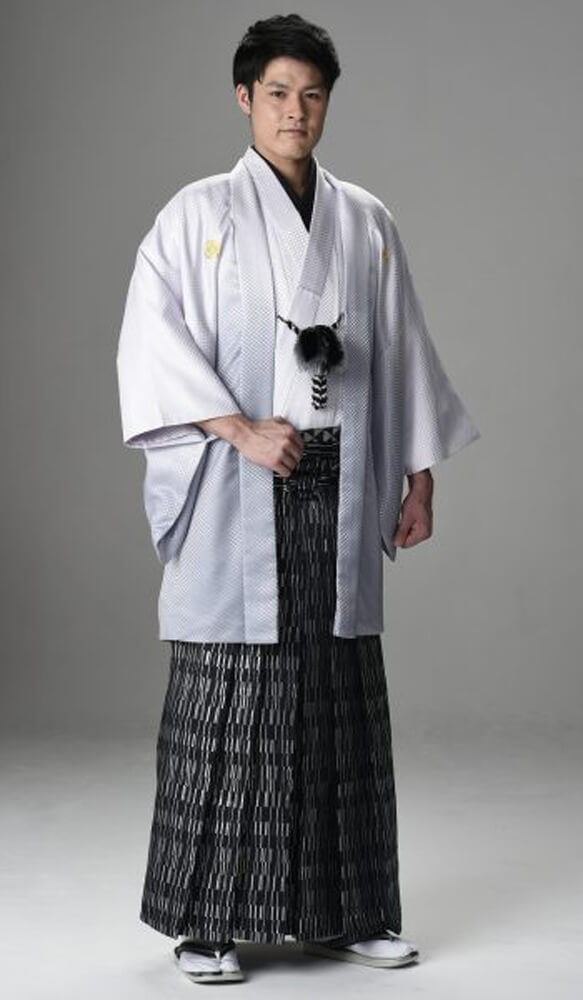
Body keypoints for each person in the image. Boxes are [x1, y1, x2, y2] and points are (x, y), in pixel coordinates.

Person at [116, 12, 480, 986]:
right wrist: (238, 428)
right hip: (238, 477)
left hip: (343, 478)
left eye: (311, 94)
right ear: (244, 99)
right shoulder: (195, 216)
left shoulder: (365, 221)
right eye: (277, 92)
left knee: (335, 696)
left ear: (327, 104)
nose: (295, 110)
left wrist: (419, 472)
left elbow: (399, 348)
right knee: (231, 695)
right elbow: (153, 343)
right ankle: (206, 921)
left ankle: (349, 910)